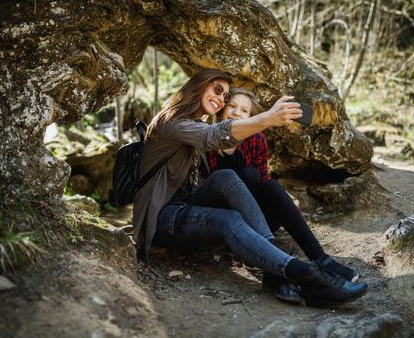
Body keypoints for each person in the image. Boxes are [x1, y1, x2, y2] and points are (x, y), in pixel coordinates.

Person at [132, 68, 368, 307]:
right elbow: (212, 136)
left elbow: (250, 177)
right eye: (217, 89)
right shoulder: (171, 122)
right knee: (229, 218)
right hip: (163, 217)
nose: (221, 98)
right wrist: (267, 118)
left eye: (224, 95)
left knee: (227, 177)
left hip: (189, 205)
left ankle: (278, 269)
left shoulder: (195, 124)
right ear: (199, 85)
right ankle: (307, 276)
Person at [206, 87, 360, 302]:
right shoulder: (206, 138)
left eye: (244, 111)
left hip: (258, 219)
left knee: (266, 184)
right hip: (227, 219)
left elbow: (264, 185)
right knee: (241, 176)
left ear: (251, 117)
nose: (236, 113)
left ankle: (321, 259)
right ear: (222, 110)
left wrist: (288, 213)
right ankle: (274, 274)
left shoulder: (256, 139)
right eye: (232, 106)